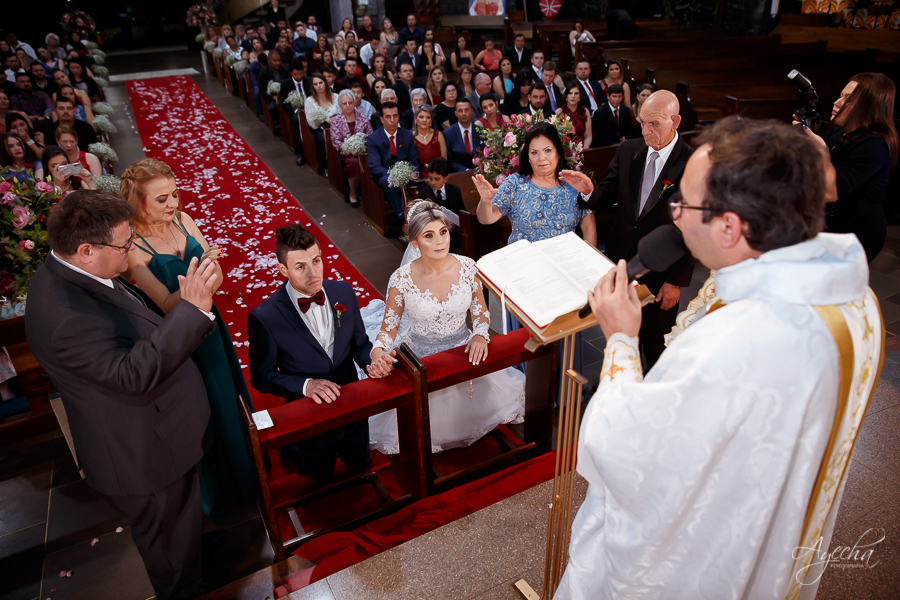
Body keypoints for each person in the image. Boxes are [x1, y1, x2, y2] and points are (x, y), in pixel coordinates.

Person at [558, 116, 882, 600]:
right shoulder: (853, 298)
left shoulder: (739, 342)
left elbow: (627, 451)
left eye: (684, 204)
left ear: (730, 227)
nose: (675, 216)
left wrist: (623, 340)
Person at [25, 190, 220, 600]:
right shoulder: (65, 317)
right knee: (169, 546)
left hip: (156, 432)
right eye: (124, 245)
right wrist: (193, 309)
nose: (131, 251)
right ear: (85, 250)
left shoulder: (74, 273)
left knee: (181, 534)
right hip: (140, 451)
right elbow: (130, 374)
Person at [120, 160, 257, 519]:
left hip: (212, 327)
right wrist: (200, 272)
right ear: (138, 203)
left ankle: (248, 470)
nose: (173, 204)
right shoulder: (132, 247)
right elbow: (165, 303)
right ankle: (219, 490)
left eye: (175, 194)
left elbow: (220, 278)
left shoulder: (183, 221)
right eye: (161, 199)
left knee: (229, 398)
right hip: (180, 339)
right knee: (202, 408)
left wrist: (211, 270)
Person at [367, 201, 526, 453]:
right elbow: (389, 328)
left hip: (464, 350)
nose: (440, 241)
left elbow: (480, 313)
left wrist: (480, 335)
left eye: (443, 232)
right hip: (422, 356)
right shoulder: (401, 279)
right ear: (415, 242)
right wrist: (378, 351)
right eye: (429, 236)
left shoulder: (467, 267)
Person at [249, 224, 382, 479]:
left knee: (358, 463)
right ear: (283, 270)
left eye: (317, 260)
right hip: (309, 415)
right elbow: (261, 376)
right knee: (318, 475)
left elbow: (360, 344)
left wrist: (370, 362)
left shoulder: (343, 291)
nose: (313, 273)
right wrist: (306, 385)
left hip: (351, 405)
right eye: (300, 267)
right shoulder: (265, 317)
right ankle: (293, 447)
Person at [581, 90, 693, 368]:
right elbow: (606, 194)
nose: (645, 130)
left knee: (656, 345)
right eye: (642, 122)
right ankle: (620, 383)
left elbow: (693, 228)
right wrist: (587, 190)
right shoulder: (629, 150)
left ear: (675, 121)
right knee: (619, 340)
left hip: (661, 273)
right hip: (622, 263)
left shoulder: (692, 163)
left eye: (654, 123)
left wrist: (675, 281)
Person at [803, 72, 897, 263]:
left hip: (855, 235)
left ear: (868, 106)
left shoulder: (874, 144)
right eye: (840, 95)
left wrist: (821, 150)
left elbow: (831, 192)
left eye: (848, 99)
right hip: (831, 225)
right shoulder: (840, 132)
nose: (837, 102)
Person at [475, 121, 596, 245]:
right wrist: (485, 200)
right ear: (528, 157)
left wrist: (589, 261)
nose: (541, 158)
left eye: (547, 150)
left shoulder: (573, 183)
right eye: (534, 153)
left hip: (564, 258)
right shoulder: (515, 184)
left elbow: (588, 228)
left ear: (558, 153)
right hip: (525, 259)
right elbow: (487, 219)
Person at [366, 101, 419, 222]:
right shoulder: (373, 138)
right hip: (384, 175)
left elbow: (413, 160)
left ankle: (419, 215)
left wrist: (415, 172)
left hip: (406, 173)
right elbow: (375, 167)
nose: (392, 119)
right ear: (382, 119)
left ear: (398, 117)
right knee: (387, 181)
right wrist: (396, 176)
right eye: (388, 116)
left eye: (395, 116)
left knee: (418, 181)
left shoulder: (407, 135)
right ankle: (404, 217)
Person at [331, 89, 374, 207]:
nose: (348, 105)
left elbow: (370, 136)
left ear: (354, 103)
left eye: (350, 102)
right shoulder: (336, 121)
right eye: (344, 103)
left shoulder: (363, 118)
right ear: (340, 105)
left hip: (363, 151)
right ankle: (354, 192)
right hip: (345, 153)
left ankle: (369, 193)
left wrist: (361, 148)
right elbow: (335, 140)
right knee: (354, 163)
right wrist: (349, 149)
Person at [418, 157, 465, 251]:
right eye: (430, 178)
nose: (432, 182)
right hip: (435, 230)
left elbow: (461, 211)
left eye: (437, 179)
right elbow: (424, 217)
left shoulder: (455, 190)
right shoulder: (424, 193)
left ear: (445, 179)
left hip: (453, 230)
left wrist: (453, 224)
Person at [279, 57, 312, 166]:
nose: (299, 77)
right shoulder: (285, 84)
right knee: (295, 120)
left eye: (300, 73)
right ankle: (299, 152)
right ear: (290, 73)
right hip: (294, 112)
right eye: (295, 74)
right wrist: (295, 110)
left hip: (310, 109)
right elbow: (283, 104)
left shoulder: (309, 81)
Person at [305, 73, 340, 175]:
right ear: (313, 86)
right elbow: (311, 122)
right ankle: (325, 165)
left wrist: (333, 120)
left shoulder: (336, 97)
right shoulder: (309, 101)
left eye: (321, 82)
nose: (319, 86)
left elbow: (342, 113)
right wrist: (325, 121)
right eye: (315, 84)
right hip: (319, 129)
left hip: (337, 127)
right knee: (321, 139)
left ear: (325, 83)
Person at [443, 98, 480, 173]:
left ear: (471, 111)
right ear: (456, 113)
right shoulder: (448, 133)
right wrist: (466, 171)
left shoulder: (481, 131)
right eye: (460, 111)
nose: (463, 113)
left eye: (466, 110)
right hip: (458, 175)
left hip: (480, 173)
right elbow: (449, 161)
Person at [412, 104, 446, 177]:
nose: (424, 120)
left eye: (428, 117)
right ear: (415, 119)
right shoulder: (410, 137)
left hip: (438, 175)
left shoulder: (439, 135)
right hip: (419, 177)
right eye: (421, 117)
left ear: (431, 120)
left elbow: (444, 160)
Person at [259, 50, 289, 130]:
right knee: (272, 108)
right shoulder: (264, 72)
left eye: (279, 60)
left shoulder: (284, 70)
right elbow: (262, 90)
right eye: (275, 60)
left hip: (285, 96)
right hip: (272, 98)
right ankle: (281, 124)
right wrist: (272, 97)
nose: (277, 63)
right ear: (269, 61)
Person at [558, 81, 592, 148]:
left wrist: (584, 150)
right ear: (566, 96)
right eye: (570, 93)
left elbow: (588, 136)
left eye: (576, 93)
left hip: (582, 148)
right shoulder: (559, 112)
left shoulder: (585, 112)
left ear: (579, 97)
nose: (573, 96)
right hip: (565, 149)